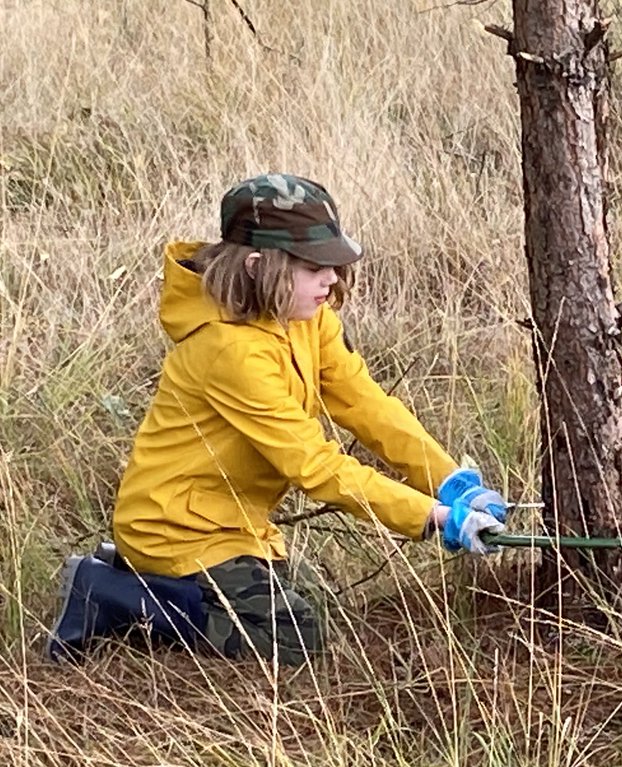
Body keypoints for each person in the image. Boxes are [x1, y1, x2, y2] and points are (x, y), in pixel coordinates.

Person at [47, 173, 507, 666]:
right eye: (314, 267)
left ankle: (136, 579)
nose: (331, 279)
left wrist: (451, 482)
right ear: (257, 266)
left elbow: (365, 403)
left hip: (237, 524)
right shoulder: (228, 350)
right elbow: (313, 464)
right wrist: (434, 519)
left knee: (320, 609)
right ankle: (109, 594)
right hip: (175, 528)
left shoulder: (306, 319)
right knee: (292, 637)